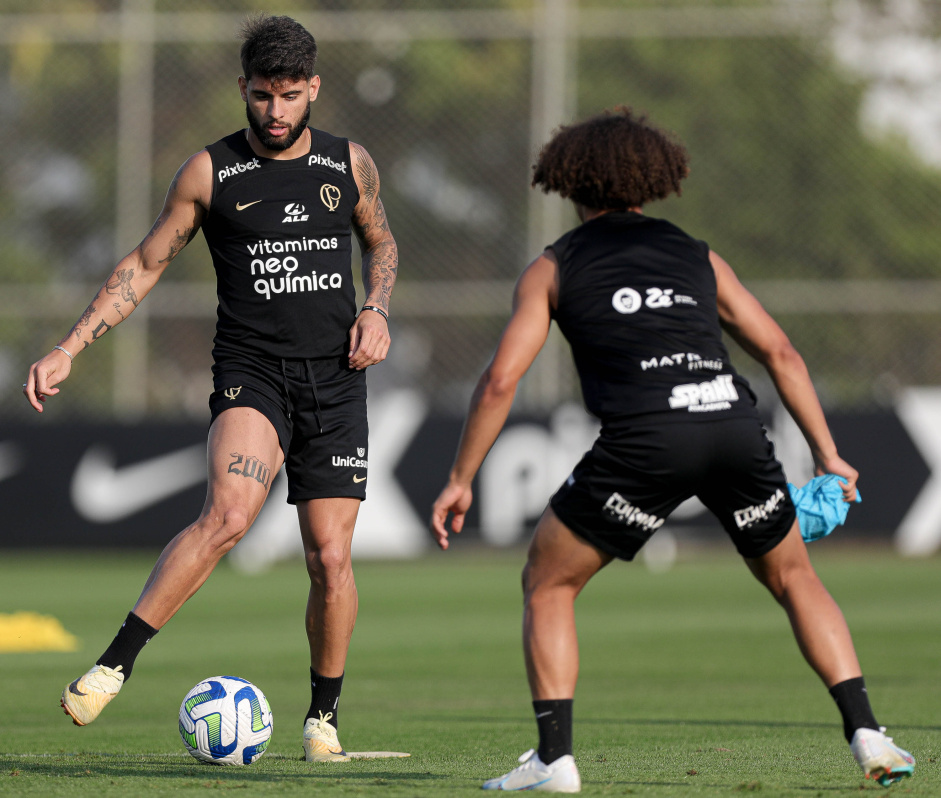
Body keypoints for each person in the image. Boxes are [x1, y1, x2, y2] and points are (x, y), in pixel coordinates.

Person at [429, 107, 914, 792]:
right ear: (649, 179)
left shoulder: (552, 268)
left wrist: (460, 477)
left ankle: (553, 759)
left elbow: (500, 380)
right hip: (730, 424)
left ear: (569, 184)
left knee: (549, 580)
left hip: (646, 439)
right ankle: (866, 731)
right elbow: (778, 351)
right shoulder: (696, 254)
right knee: (794, 576)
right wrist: (827, 454)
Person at [24, 14, 401, 763]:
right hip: (252, 372)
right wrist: (70, 345)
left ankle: (322, 718)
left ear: (313, 89)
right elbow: (143, 263)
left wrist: (377, 308)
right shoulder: (209, 172)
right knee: (228, 514)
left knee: (329, 560)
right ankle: (112, 665)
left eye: (290, 95)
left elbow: (380, 240)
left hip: (336, 380)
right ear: (243, 89)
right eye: (262, 95)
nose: (275, 111)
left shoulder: (348, 164)